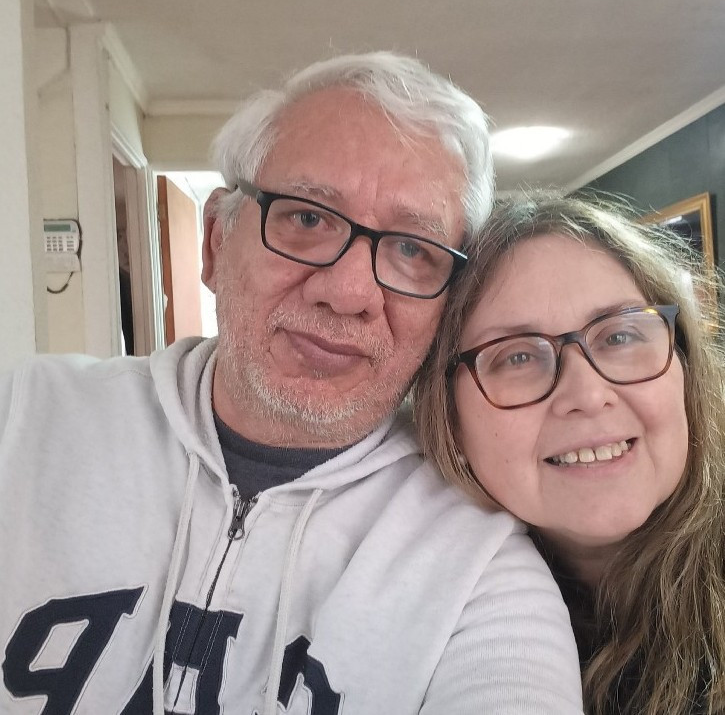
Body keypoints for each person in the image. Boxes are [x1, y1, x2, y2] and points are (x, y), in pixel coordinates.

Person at [0, 55, 583, 714]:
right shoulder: (24, 418)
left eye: (411, 250)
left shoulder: (479, 569)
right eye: (307, 219)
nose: (348, 292)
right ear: (216, 241)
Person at [415, 191, 725, 714]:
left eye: (620, 336)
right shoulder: (435, 614)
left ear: (684, 367)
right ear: (449, 420)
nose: (587, 394)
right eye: (517, 356)